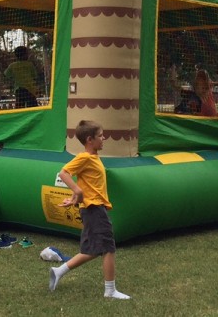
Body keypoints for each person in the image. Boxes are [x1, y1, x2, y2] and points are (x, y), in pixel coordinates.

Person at [48, 120, 131, 300]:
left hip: (92, 208)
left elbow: (86, 182)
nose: (104, 138)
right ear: (89, 139)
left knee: (91, 250)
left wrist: (75, 197)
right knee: (108, 247)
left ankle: (58, 271)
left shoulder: (93, 157)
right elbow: (64, 173)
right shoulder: (84, 157)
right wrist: (77, 191)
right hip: (94, 209)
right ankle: (110, 290)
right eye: (100, 136)